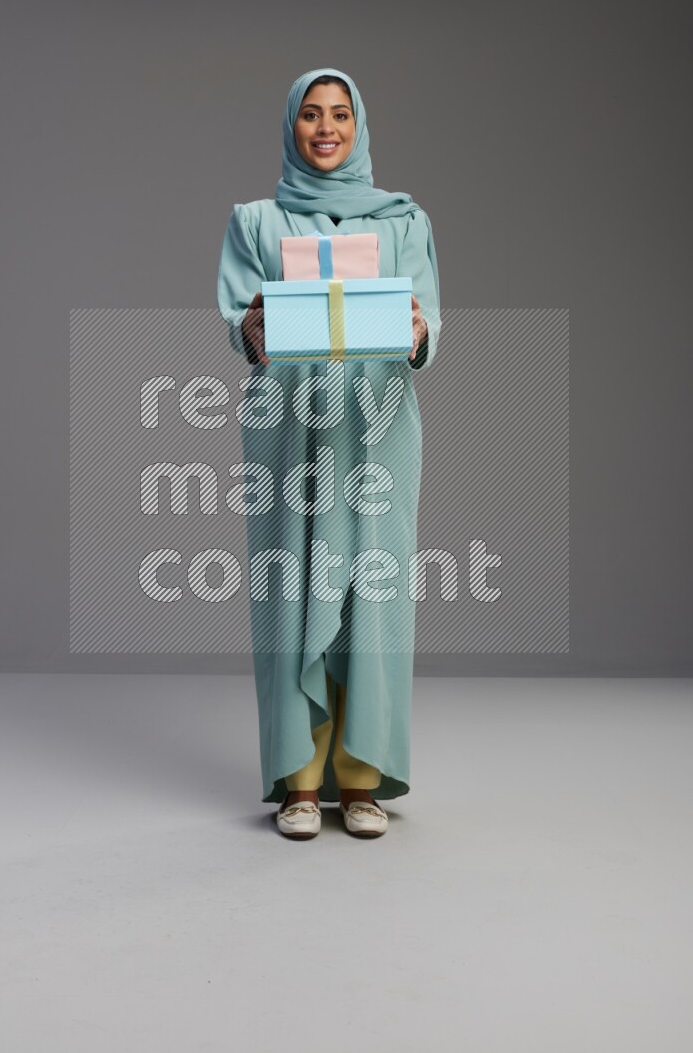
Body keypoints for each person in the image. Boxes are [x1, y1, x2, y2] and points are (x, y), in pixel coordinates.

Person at [216, 67, 441, 840]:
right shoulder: (256, 222)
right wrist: (256, 322)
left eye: (340, 115)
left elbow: (427, 325)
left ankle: (362, 777)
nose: (325, 128)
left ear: (359, 125)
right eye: (311, 114)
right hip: (289, 429)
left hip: (375, 427)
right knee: (292, 594)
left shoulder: (403, 223)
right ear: (291, 126)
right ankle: (300, 784)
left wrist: (413, 328)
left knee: (371, 601)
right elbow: (241, 327)